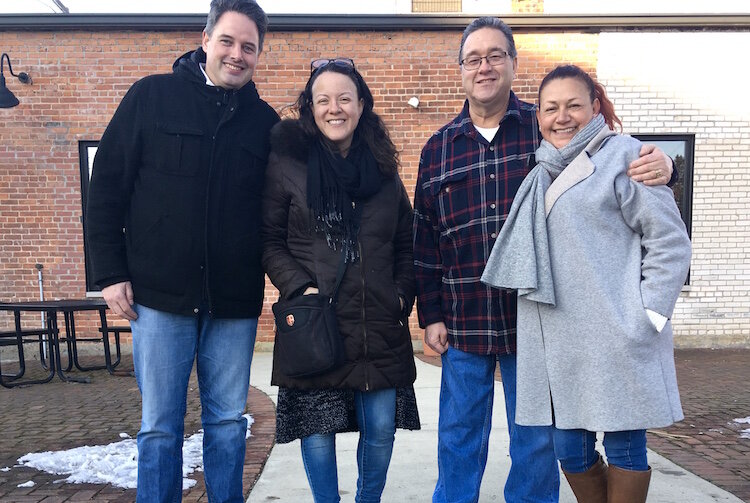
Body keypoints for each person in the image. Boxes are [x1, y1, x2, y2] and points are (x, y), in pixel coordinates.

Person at [412, 16, 676, 503]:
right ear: (461, 70)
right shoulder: (438, 150)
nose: (485, 66)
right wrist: (430, 315)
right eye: (474, 58)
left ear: (513, 63)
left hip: (536, 324)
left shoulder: (544, 129)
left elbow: (613, 157)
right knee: (457, 439)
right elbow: (425, 243)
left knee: (535, 444)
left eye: (496, 55)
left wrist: (666, 165)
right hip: (465, 318)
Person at [85, 0, 279, 501]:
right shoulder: (151, 97)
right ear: (206, 38)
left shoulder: (265, 124)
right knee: (160, 426)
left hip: (233, 304)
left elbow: (279, 211)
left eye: (249, 47)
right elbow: (106, 188)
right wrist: (109, 272)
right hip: (158, 297)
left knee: (227, 424)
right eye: (228, 41)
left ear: (260, 54)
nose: (237, 55)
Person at [481, 64, 691, 503]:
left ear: (594, 106)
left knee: (622, 445)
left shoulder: (626, 157)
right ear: (537, 116)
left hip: (616, 334)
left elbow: (669, 242)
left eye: (574, 105)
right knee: (569, 449)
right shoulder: (540, 169)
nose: (563, 116)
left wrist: (647, 314)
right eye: (552, 107)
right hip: (559, 342)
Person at [262, 57, 420, 503]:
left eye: (345, 98)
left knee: (381, 431)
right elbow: (269, 240)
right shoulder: (288, 165)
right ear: (310, 108)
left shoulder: (384, 170)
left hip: (378, 324)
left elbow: (407, 242)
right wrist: (300, 289)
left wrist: (401, 294)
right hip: (317, 322)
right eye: (323, 99)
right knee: (318, 433)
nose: (335, 108)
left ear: (362, 104)